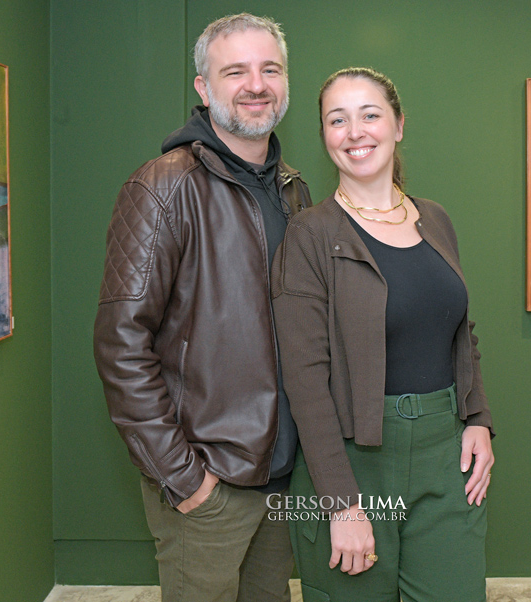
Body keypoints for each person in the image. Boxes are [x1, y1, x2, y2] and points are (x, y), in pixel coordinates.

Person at [93, 13, 311, 602]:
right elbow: (120, 345)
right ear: (203, 86)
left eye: (270, 69)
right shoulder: (163, 186)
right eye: (235, 71)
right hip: (208, 484)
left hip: (282, 475)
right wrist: (184, 477)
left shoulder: (293, 190)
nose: (256, 85)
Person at [271, 67, 494, 602]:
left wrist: (478, 418)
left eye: (370, 115)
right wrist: (341, 504)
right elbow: (304, 379)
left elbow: (459, 331)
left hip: (446, 454)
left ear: (398, 124)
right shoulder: (309, 234)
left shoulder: (435, 220)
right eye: (337, 120)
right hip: (354, 460)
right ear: (324, 135)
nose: (355, 132)